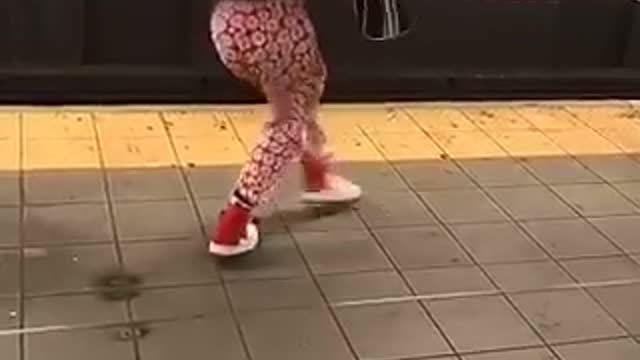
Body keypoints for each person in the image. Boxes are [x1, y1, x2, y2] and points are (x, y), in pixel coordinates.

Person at [208, 0, 362, 257]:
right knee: (288, 122)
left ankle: (316, 173)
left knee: (306, 85)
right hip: (275, 30)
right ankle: (234, 222)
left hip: (229, 25)